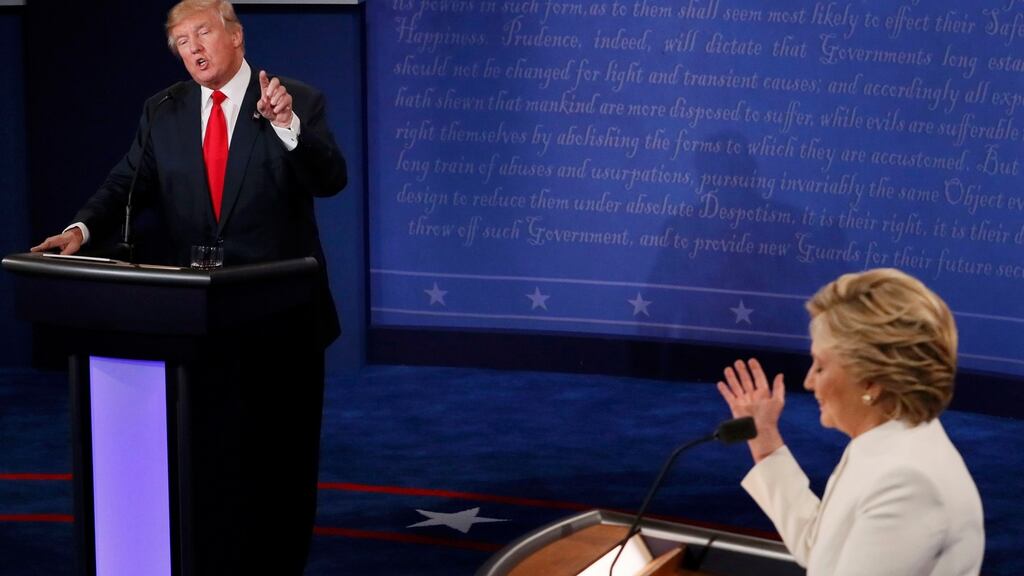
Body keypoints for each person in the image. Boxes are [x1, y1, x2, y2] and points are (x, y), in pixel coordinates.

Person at [31, 1, 347, 573]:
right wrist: (79, 229)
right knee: (211, 463)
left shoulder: (293, 99)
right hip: (198, 325)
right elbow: (127, 183)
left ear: (236, 36)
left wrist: (287, 127)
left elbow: (331, 179)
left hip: (282, 323)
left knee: (281, 467)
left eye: (202, 32)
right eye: (181, 40)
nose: (193, 47)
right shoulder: (164, 112)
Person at [716, 268, 984, 575]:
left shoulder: (908, 481)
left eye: (821, 366)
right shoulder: (888, 446)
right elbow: (819, 547)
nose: (808, 381)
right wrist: (764, 439)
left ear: (871, 381)